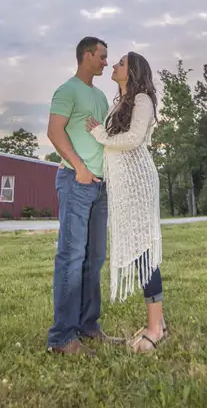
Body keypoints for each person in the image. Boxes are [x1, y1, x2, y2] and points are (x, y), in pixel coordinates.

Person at [85, 51, 167, 354]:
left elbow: (132, 139)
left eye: (121, 63)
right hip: (120, 185)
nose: (115, 66)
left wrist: (99, 134)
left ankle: (156, 328)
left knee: (144, 251)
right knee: (137, 253)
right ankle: (158, 321)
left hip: (138, 183)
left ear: (132, 72)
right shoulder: (118, 103)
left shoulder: (142, 99)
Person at [46, 36, 122, 355]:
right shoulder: (67, 90)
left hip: (101, 185)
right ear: (87, 55)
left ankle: (88, 326)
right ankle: (63, 337)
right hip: (76, 181)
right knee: (72, 256)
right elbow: (54, 131)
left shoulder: (101, 95)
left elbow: (105, 136)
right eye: (103, 56)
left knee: (95, 258)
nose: (106, 61)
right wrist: (78, 166)